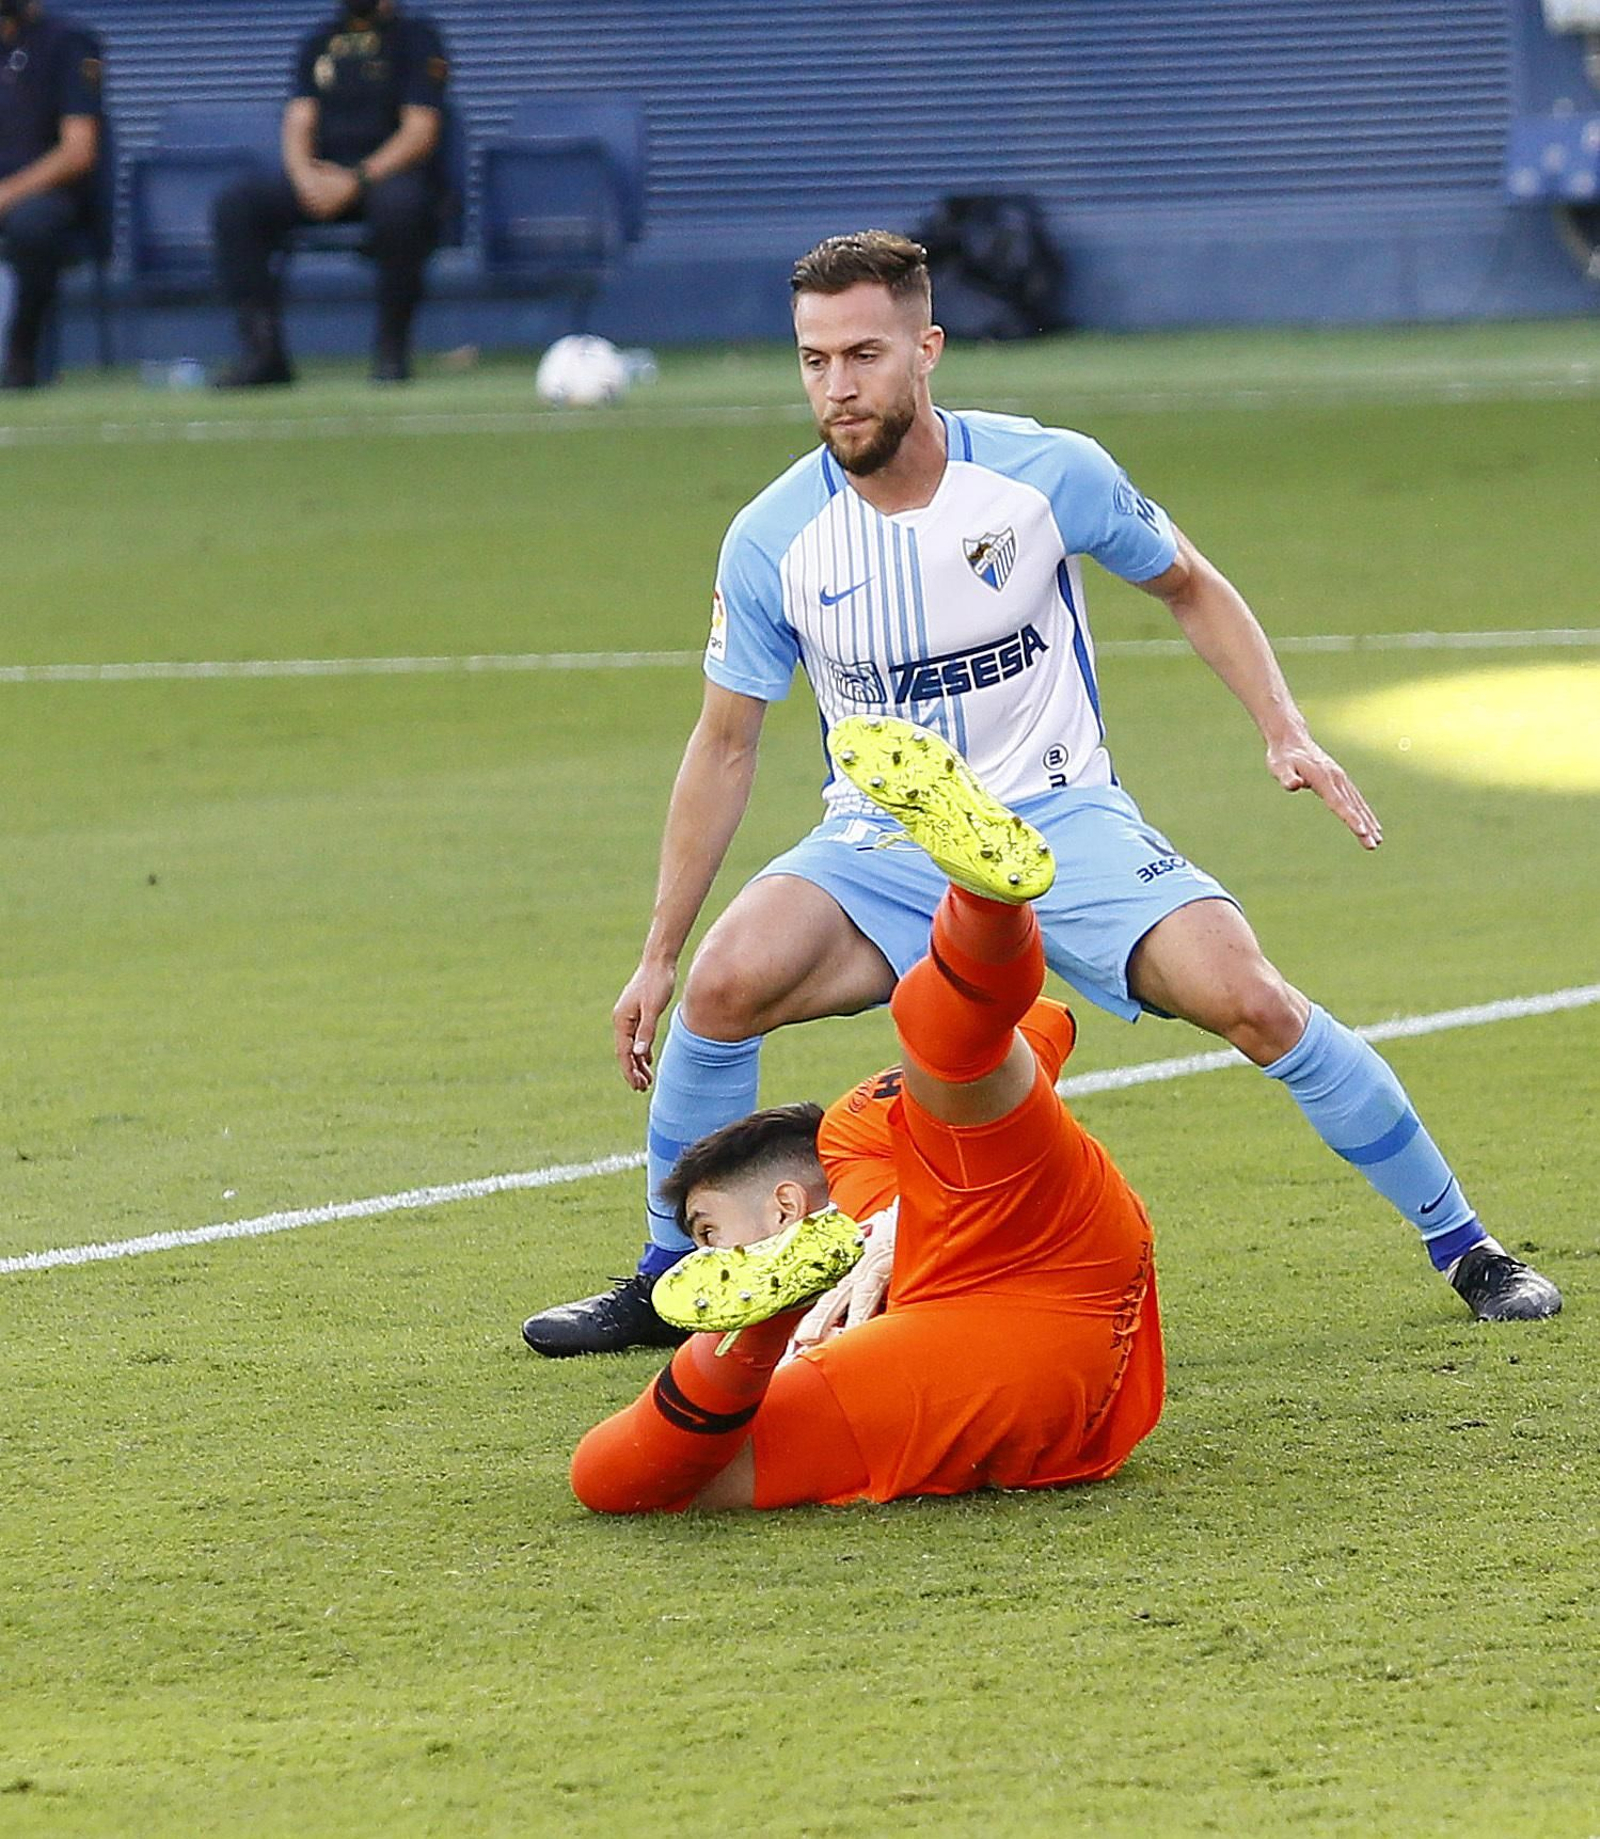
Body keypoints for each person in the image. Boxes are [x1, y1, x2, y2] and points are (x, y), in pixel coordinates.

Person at [524, 229, 1560, 1357]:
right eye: (814, 361)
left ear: (927, 349)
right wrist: (658, 953)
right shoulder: (773, 539)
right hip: (883, 844)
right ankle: (665, 1276)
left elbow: (1189, 584)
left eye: (863, 355)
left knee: (1252, 998)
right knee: (722, 989)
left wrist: (1285, 730)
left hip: (1058, 819)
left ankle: (1466, 1246)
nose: (837, 386)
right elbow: (726, 746)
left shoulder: (1041, 472)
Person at [570, 717, 1163, 1513]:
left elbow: (1045, 1024)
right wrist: (775, 1326)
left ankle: (985, 896)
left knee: (947, 1057)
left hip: (1023, 1247)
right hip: (1029, 1339)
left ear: (786, 1203)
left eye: (709, 1235)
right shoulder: (835, 1342)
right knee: (608, 1477)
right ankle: (984, 908)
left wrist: (882, 1224)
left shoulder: (853, 1131)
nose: (703, 1267)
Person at [211, 0, 449, 387]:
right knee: (238, 206)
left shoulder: (416, 38)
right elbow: (298, 119)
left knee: (401, 208)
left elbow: (421, 130)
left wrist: (357, 179)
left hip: (386, 177)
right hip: (324, 178)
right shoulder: (319, 41)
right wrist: (305, 177)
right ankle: (264, 355)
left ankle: (391, 352)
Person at [0, 0, 102, 390]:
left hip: (52, 195)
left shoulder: (68, 42)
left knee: (32, 227)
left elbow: (79, 151)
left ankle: (22, 354)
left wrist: (8, 192)